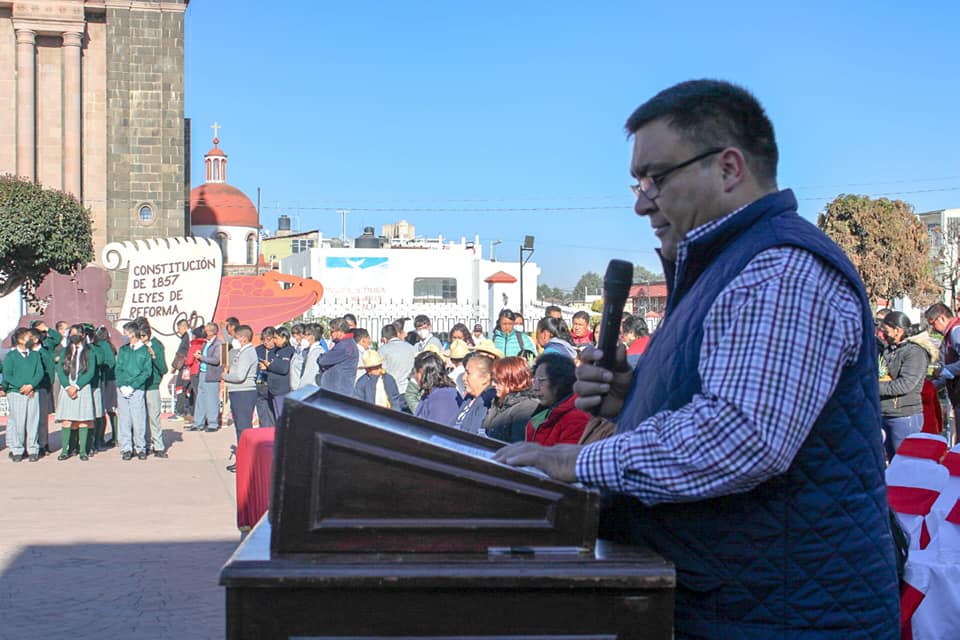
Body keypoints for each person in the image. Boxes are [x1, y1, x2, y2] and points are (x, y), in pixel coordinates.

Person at [495, 79, 899, 638]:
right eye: (636, 182)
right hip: (734, 602)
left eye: (656, 177)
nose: (641, 202)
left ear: (729, 168)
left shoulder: (779, 269)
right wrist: (632, 397)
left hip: (780, 616)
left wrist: (572, 462)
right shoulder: (725, 267)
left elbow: (741, 436)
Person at [878, 312, 936, 458]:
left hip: (904, 416)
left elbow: (905, 384)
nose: (883, 334)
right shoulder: (890, 350)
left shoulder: (915, 352)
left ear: (898, 330)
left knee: (904, 461)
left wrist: (874, 387)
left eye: (886, 331)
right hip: (886, 413)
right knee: (891, 461)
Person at [54, 324, 98, 461]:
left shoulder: (89, 352)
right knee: (67, 420)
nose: (73, 337)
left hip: (82, 387)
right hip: (67, 388)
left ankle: (83, 450)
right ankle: (65, 449)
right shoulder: (65, 351)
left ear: (82, 335)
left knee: (83, 420)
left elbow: (90, 371)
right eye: (71, 334)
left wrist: (77, 386)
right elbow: (60, 370)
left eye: (75, 334)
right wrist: (67, 386)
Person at [524, 352, 589, 445]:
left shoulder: (577, 418)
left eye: (541, 380)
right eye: (535, 380)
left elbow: (565, 457)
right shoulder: (545, 411)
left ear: (560, 382)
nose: (535, 387)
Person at [3, 327, 43, 462]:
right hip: (16, 392)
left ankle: (33, 449)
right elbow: (7, 375)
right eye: (28, 337)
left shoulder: (35, 355)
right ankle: (17, 449)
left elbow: (39, 373)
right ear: (20, 340)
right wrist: (22, 386)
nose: (31, 340)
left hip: (33, 391)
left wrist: (31, 385)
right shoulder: (11, 356)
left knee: (33, 421)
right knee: (18, 421)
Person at [115, 322, 151, 460]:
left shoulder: (144, 351)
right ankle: (126, 448)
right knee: (124, 420)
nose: (124, 336)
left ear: (132, 333)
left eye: (125, 333)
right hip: (123, 389)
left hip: (137, 389)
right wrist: (122, 385)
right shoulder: (124, 350)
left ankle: (140, 448)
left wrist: (133, 386)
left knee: (138, 419)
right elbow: (118, 368)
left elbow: (146, 372)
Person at [483, 356, 540, 443]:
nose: (493, 384)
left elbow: (519, 448)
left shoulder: (526, 409)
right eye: (493, 380)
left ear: (512, 381)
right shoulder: (498, 404)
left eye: (497, 381)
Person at [926, 302, 960, 443]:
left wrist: (943, 371)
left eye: (933, 324)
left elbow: (949, 369)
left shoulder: (955, 331)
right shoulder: (948, 335)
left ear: (941, 318)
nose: (933, 328)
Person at [223, 324, 258, 460]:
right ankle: (242, 458)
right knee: (239, 427)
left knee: (244, 428)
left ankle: (247, 459)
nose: (234, 340)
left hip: (244, 392)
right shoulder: (242, 352)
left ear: (243, 338)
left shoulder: (247, 352)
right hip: (238, 392)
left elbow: (239, 376)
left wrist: (225, 376)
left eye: (236, 337)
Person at [189, 323, 223, 432]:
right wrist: (199, 355)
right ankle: (198, 423)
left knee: (212, 400)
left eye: (206, 330)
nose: (204, 332)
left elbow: (216, 360)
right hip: (202, 373)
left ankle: (213, 424)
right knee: (200, 399)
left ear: (211, 332)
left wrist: (202, 357)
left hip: (212, 374)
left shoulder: (218, 344)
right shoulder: (206, 343)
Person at [451, 352, 496, 435]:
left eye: (468, 373)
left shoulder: (487, 402)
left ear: (485, 378)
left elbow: (472, 437)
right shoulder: (469, 398)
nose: (463, 378)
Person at [140, 321, 168, 458]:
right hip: (138, 387)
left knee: (154, 417)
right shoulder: (136, 345)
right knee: (141, 418)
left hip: (152, 386)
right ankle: (143, 444)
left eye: (142, 336)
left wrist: (154, 356)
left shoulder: (156, 345)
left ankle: (158, 446)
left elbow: (163, 368)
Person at [412, 351, 461, 424]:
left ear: (421, 372)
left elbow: (439, 430)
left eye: (415, 372)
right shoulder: (431, 393)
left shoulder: (443, 397)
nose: (414, 376)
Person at [317, 318, 359, 396]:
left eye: (332, 331)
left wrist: (321, 357)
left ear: (340, 331)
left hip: (338, 391)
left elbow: (323, 360)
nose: (330, 334)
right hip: (337, 390)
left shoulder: (345, 346)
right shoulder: (344, 343)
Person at [261, 325, 293, 420]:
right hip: (274, 389)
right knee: (276, 417)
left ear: (284, 338)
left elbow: (283, 368)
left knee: (281, 417)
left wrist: (269, 366)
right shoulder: (277, 351)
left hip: (281, 389)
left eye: (276, 338)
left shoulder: (288, 351)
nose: (274, 341)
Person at [95, 326, 118, 449]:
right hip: (109, 379)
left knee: (109, 409)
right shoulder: (107, 345)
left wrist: (102, 369)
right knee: (109, 409)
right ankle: (114, 436)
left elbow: (110, 362)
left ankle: (114, 437)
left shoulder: (103, 345)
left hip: (108, 380)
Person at [379, 323, 416, 395]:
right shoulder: (411, 348)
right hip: (408, 390)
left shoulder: (383, 350)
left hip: (391, 391)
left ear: (384, 339)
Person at [254, 327, 276, 428]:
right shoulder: (258, 350)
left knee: (273, 413)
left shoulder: (279, 351)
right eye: (264, 340)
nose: (266, 343)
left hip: (273, 385)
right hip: (260, 383)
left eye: (269, 339)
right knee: (262, 412)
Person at [170, 319, 192, 421]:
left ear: (184, 327)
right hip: (189, 367)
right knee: (187, 389)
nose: (178, 331)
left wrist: (174, 367)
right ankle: (187, 411)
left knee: (180, 387)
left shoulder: (186, 338)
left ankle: (180, 412)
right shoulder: (190, 337)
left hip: (185, 367)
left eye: (179, 328)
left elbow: (181, 354)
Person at [293, 324, 324, 391]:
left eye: (306, 335)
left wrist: (299, 392)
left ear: (312, 336)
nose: (304, 337)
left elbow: (308, 376)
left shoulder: (316, 352)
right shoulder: (308, 351)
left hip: (310, 391)